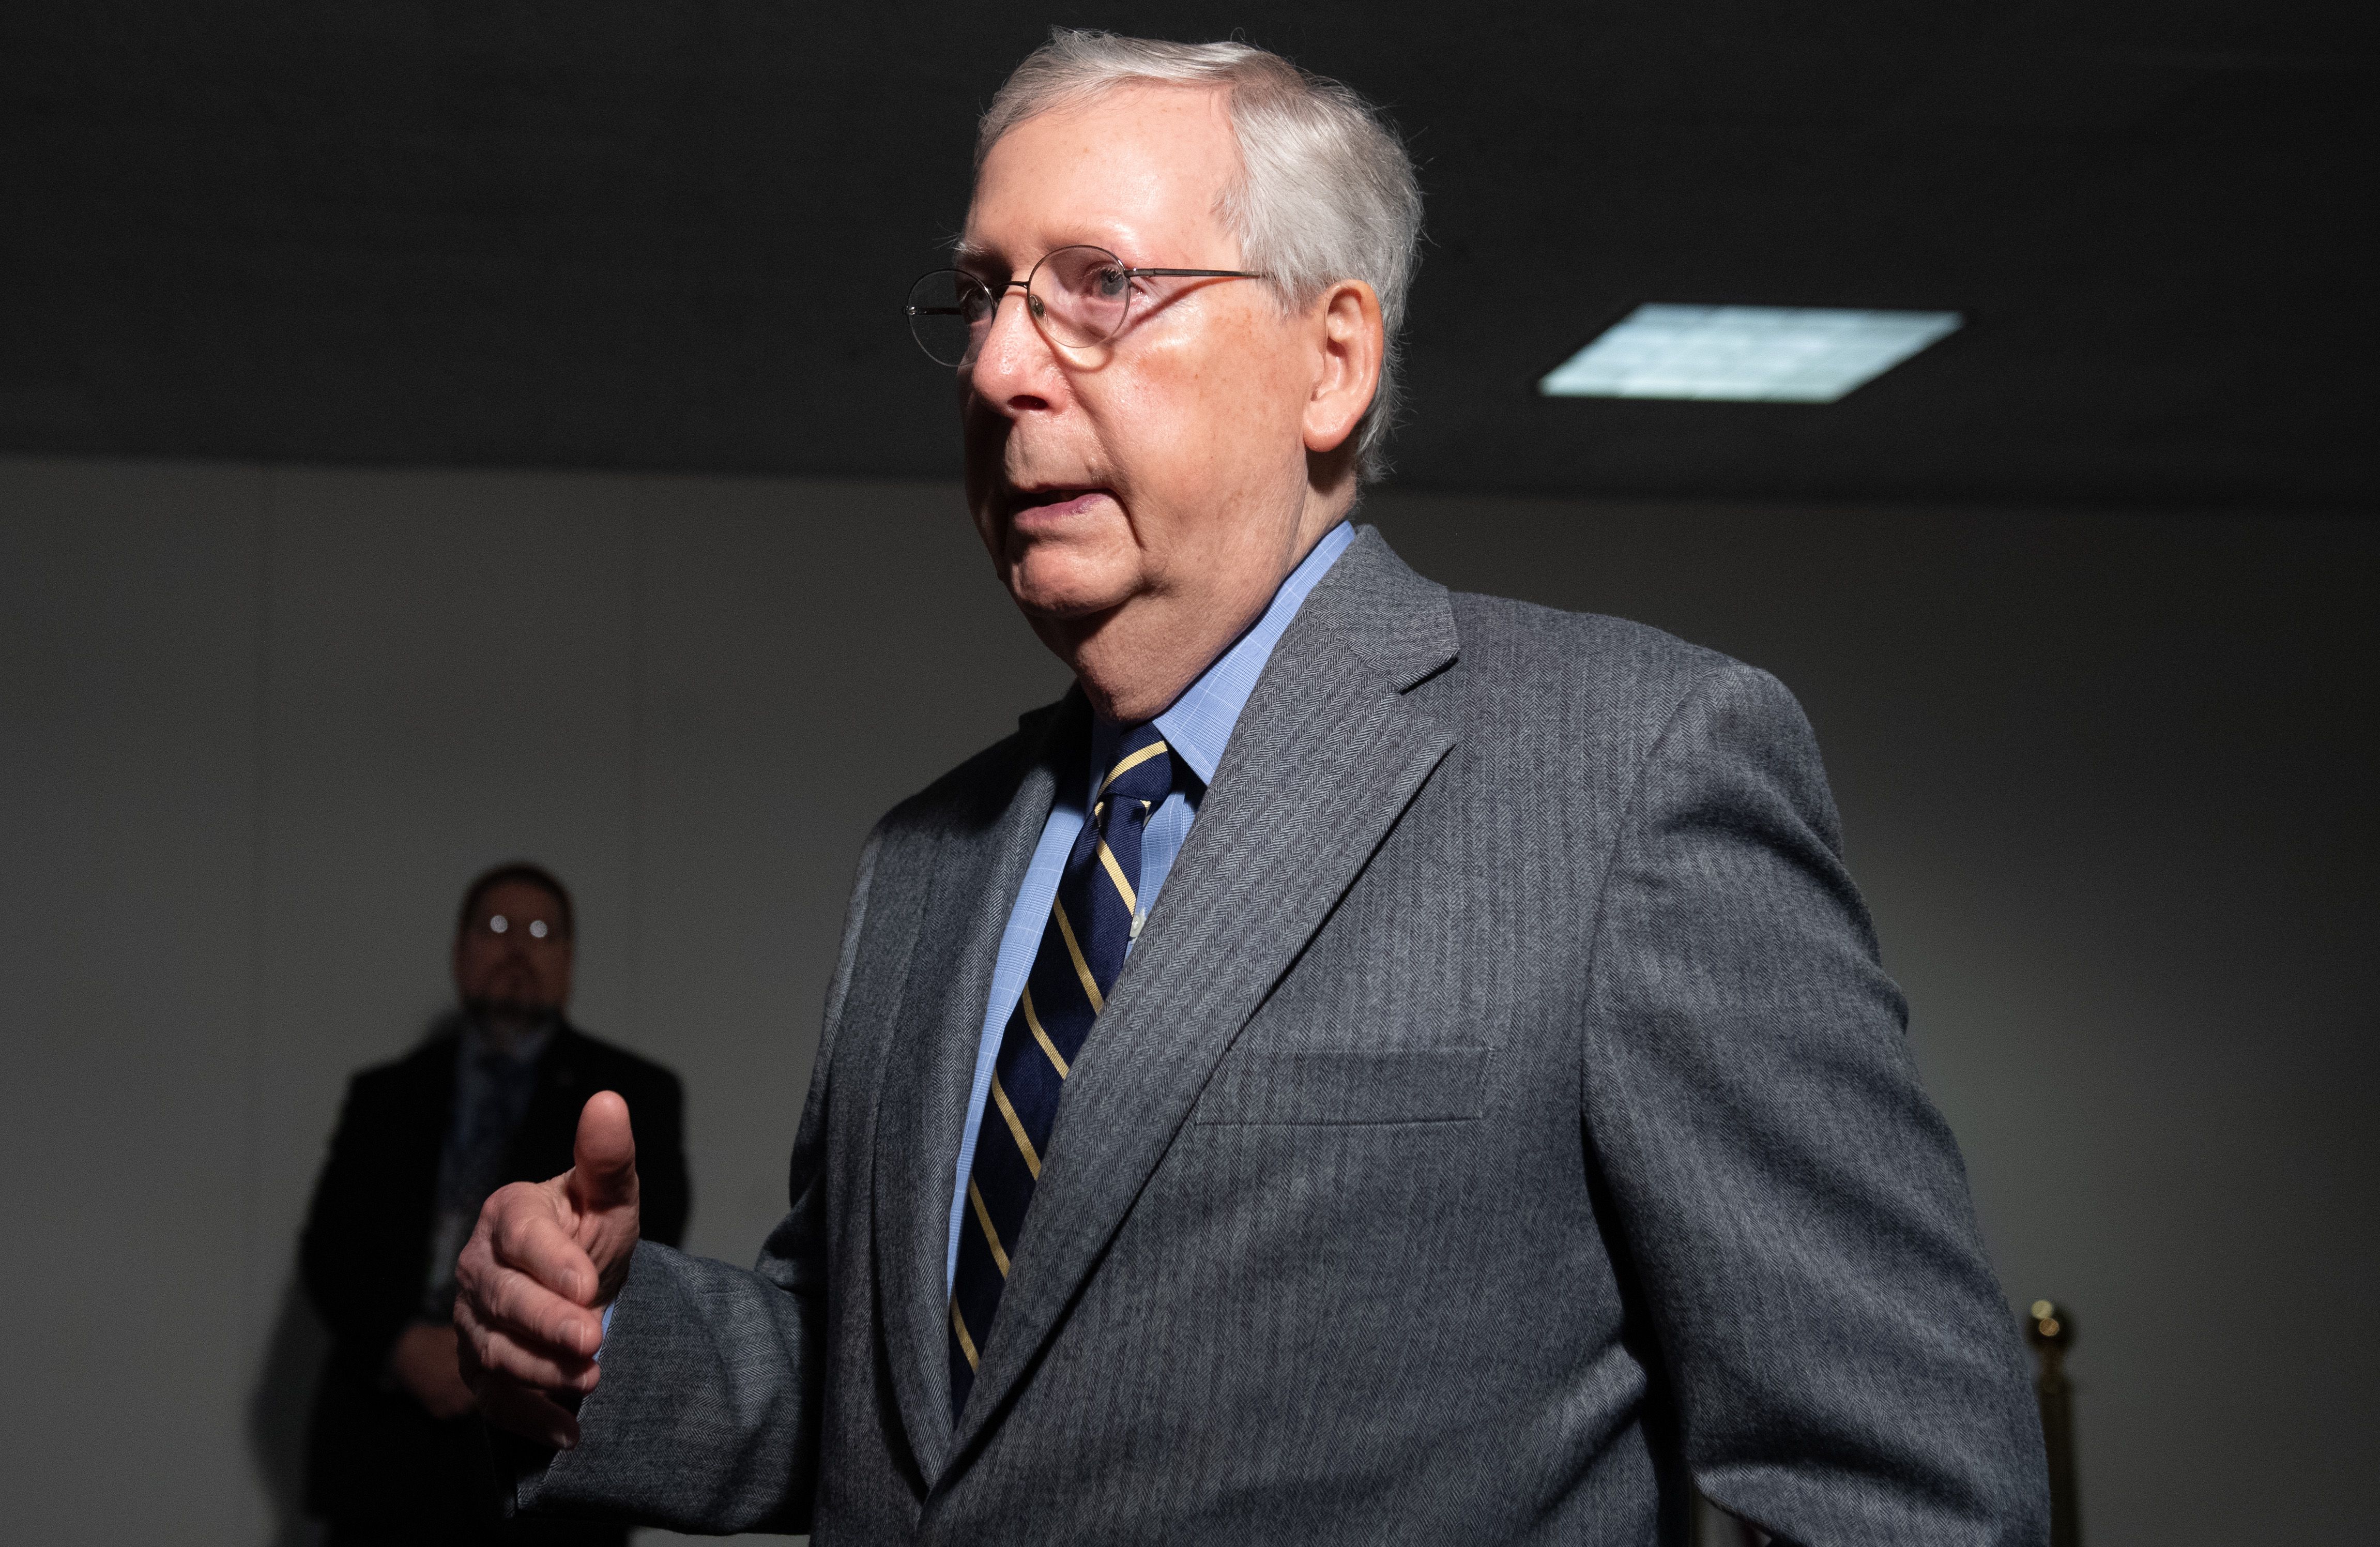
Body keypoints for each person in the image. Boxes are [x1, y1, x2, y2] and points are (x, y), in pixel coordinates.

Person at [457, 32, 2048, 1545]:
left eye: (1101, 288)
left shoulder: (1630, 773)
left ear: (1330, 361)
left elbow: (1899, 1483)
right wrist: (606, 1339)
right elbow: (915, 1407)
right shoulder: (925, 863)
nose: (1004, 364)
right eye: (983, 297)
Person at [300, 861, 689, 1545]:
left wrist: (506, 1341)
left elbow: (650, 1245)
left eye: (541, 931)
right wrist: (399, 1344)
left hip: (544, 1462)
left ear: (568, 962)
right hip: (383, 1456)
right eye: (496, 927)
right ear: (459, 952)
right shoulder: (385, 1094)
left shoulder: (632, 1093)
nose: (516, 947)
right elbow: (329, 1248)